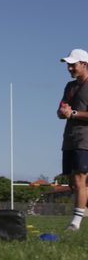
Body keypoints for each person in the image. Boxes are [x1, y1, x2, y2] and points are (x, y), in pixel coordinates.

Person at [57, 48, 88, 231]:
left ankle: (74, 224)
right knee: (73, 183)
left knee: (79, 179)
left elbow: (73, 113)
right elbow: (61, 111)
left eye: (73, 65)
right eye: (68, 65)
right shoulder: (69, 87)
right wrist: (63, 112)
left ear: (84, 64)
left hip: (85, 139)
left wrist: (73, 113)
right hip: (69, 138)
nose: (69, 68)